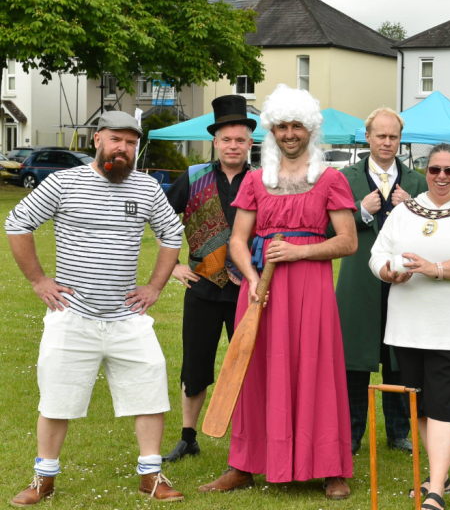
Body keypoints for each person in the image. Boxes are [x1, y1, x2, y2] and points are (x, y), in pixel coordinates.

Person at [5, 111, 186, 505]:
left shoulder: (146, 188)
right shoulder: (64, 183)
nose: (124, 148)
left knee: (151, 391)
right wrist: (38, 280)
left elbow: (172, 233)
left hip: (128, 317)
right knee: (56, 398)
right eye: (116, 139)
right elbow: (18, 223)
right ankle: (43, 479)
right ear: (98, 139)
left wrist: (155, 286)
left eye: (131, 142)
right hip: (71, 315)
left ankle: (151, 476)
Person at [197, 84, 359, 499]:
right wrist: (252, 279)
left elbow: (348, 241)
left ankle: (331, 467)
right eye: (282, 126)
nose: (289, 134)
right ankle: (244, 464)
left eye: (297, 126)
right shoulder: (256, 180)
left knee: (316, 370)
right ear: (271, 131)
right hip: (261, 294)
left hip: (311, 290)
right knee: (255, 373)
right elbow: (237, 240)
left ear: (310, 130)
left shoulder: (330, 179)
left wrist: (299, 252)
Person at [370, 143, 450, 510]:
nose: (442, 176)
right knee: (421, 407)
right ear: (425, 172)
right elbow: (378, 254)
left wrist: (434, 269)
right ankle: (441, 474)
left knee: (443, 408)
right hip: (407, 326)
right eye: (434, 170)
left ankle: (436, 489)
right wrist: (387, 272)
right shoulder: (404, 211)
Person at [161, 94, 255, 463]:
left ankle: (251, 438)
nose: (233, 146)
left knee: (249, 364)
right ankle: (188, 437)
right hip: (201, 287)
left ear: (250, 143)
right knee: (195, 364)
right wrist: (172, 265)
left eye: (240, 139)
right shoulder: (193, 176)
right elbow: (161, 218)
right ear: (215, 142)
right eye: (226, 139)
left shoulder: (263, 181)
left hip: (248, 289)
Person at [336, 106, 425, 455]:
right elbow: (326, 228)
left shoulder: (417, 182)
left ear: (400, 140)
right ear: (368, 137)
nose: (387, 142)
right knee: (355, 360)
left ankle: (399, 431)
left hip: (405, 280)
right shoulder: (344, 178)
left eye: (393, 136)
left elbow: (433, 229)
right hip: (359, 278)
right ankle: (352, 432)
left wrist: (413, 207)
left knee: (400, 357)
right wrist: (360, 210)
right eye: (381, 136)